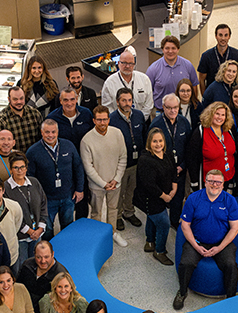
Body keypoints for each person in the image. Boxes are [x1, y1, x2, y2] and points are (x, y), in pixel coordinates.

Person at [175, 170, 238, 309]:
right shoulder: (193, 198)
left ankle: (231, 299)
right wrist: (195, 246)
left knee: (231, 265)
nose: (214, 185)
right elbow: (185, 225)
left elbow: (234, 228)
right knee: (186, 263)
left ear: (223, 185)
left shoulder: (230, 201)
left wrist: (220, 247)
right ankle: (182, 292)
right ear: (205, 182)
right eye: (211, 181)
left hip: (221, 242)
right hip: (197, 241)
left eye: (218, 182)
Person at [25, 119, 85, 240]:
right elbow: (30, 179)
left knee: (67, 225)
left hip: (68, 196)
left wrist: (79, 189)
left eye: (53, 132)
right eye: (47, 132)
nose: (50, 135)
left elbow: (78, 167)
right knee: (47, 229)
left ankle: (66, 246)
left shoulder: (68, 145)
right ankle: (49, 250)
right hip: (46, 199)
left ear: (58, 132)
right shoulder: (33, 152)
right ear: (42, 132)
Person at [81, 105, 130, 247]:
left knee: (113, 209)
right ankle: (96, 236)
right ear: (94, 120)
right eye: (99, 120)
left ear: (109, 119)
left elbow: (123, 157)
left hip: (115, 182)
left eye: (105, 119)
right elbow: (88, 166)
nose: (102, 123)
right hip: (97, 185)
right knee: (96, 211)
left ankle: (112, 232)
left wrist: (116, 179)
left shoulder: (117, 133)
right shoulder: (86, 140)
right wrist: (103, 183)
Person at [136, 128, 179, 264]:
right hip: (151, 198)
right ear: (149, 142)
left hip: (165, 194)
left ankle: (150, 242)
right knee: (163, 224)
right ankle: (159, 251)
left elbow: (173, 172)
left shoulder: (167, 155)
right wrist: (164, 196)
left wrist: (174, 187)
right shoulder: (145, 160)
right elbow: (149, 184)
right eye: (155, 141)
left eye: (160, 141)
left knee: (152, 219)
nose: (158, 144)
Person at [110, 88, 149, 231]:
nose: (127, 103)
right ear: (117, 101)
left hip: (136, 162)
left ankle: (129, 212)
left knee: (132, 190)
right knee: (119, 193)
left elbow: (144, 136)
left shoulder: (138, 115)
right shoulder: (112, 119)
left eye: (129, 100)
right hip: (120, 164)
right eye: (123, 100)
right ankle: (118, 216)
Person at [5, 152, 48, 265]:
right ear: (10, 169)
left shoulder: (34, 182)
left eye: (22, 167)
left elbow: (43, 204)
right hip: (20, 237)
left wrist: (40, 228)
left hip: (37, 234)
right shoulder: (6, 188)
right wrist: (28, 231)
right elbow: (10, 215)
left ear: (26, 168)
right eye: (16, 168)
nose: (20, 170)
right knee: (23, 265)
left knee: (37, 263)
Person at [148, 36, 201, 111]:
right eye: (167, 48)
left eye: (173, 48)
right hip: (160, 110)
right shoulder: (153, 69)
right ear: (162, 49)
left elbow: (194, 86)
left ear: (178, 49)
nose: (170, 51)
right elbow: (148, 91)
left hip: (183, 110)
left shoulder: (188, 65)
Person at [197, 101, 238, 193]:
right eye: (217, 114)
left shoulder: (228, 130)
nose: (220, 117)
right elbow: (192, 158)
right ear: (211, 114)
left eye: (223, 115)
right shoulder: (201, 131)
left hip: (227, 177)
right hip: (210, 181)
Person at [101, 47, 154, 118]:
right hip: (118, 123)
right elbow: (107, 107)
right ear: (119, 63)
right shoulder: (109, 82)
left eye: (131, 63)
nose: (128, 66)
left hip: (141, 121)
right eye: (124, 63)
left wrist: (139, 120)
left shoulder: (144, 79)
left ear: (134, 64)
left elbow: (148, 104)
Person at [0, 86, 45, 153]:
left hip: (34, 157)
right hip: (13, 159)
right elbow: (1, 147)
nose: (19, 102)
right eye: (15, 99)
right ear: (9, 100)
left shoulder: (35, 114)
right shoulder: (1, 120)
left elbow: (42, 138)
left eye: (21, 98)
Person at [199, 24, 238, 90]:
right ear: (216, 36)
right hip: (213, 94)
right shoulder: (206, 56)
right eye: (220, 35)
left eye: (226, 35)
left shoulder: (236, 54)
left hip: (232, 93)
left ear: (229, 37)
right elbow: (201, 80)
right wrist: (205, 97)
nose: (223, 38)